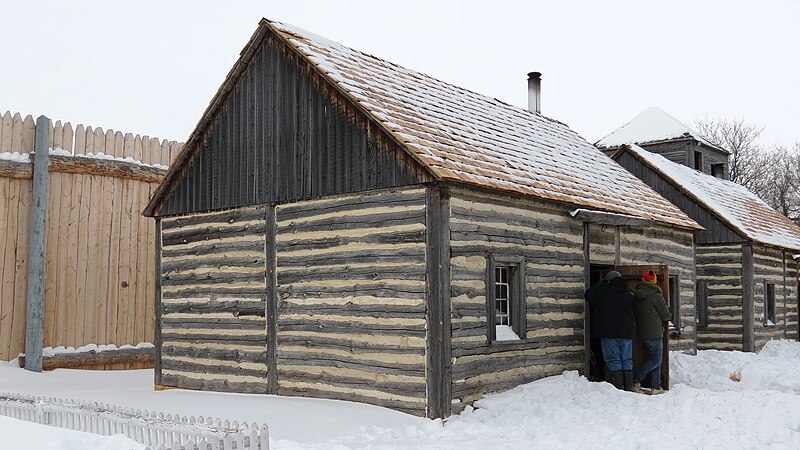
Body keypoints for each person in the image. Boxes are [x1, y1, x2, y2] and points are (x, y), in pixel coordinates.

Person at [584, 271, 636, 390]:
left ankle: (618, 388)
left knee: (614, 360)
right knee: (627, 360)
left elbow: (588, 295)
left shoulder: (603, 293)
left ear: (608, 281)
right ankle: (628, 387)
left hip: (609, 333)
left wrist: (599, 284)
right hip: (626, 333)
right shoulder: (628, 293)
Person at [633, 270, 671, 395]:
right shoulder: (656, 296)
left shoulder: (637, 294)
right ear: (654, 281)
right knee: (656, 360)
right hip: (654, 332)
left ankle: (656, 385)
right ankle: (636, 380)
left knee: (656, 359)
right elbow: (665, 315)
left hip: (642, 331)